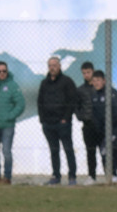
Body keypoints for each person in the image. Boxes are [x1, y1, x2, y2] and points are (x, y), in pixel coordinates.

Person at [37, 56, 78, 186]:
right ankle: (56, 175)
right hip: (48, 123)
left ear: (59, 66)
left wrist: (66, 118)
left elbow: (72, 101)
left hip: (63, 124)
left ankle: (72, 176)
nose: (52, 68)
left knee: (68, 149)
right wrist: (43, 119)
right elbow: (40, 101)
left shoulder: (67, 82)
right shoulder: (44, 83)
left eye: (54, 65)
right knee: (54, 150)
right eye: (50, 65)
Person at [90, 70, 117, 184]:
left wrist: (109, 126)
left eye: (98, 80)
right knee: (112, 149)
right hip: (105, 130)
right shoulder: (94, 95)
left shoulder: (112, 93)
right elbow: (95, 115)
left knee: (108, 148)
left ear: (104, 81)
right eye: (94, 81)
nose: (96, 83)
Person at [76, 61, 99, 185]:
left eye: (88, 72)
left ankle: (110, 175)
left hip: (101, 125)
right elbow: (77, 106)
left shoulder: (99, 87)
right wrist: (82, 117)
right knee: (90, 151)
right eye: (84, 73)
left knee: (105, 150)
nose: (86, 75)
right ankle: (91, 176)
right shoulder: (80, 90)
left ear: (93, 71)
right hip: (88, 125)